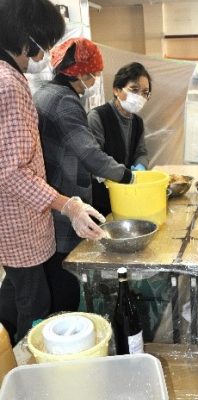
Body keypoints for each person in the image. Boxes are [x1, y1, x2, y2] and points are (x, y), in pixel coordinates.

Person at [0, 0, 106, 345]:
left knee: (15, 292)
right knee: (33, 305)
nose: (44, 53)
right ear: (28, 38)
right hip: (20, 222)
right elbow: (13, 172)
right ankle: (23, 376)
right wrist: (68, 205)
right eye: (44, 43)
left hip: (11, 222)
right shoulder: (10, 84)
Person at [33, 38, 139, 314]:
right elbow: (89, 153)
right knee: (64, 276)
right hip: (63, 201)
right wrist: (128, 177)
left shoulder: (45, 92)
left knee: (52, 276)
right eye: (93, 74)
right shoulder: (65, 102)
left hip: (51, 196)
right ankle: (64, 326)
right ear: (79, 72)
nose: (94, 80)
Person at [88, 62, 151, 216]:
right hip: (102, 197)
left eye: (145, 92)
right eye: (134, 90)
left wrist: (140, 165)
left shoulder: (137, 122)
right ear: (116, 89)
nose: (140, 97)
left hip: (127, 194)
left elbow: (141, 152)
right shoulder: (98, 117)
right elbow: (95, 160)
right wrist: (124, 174)